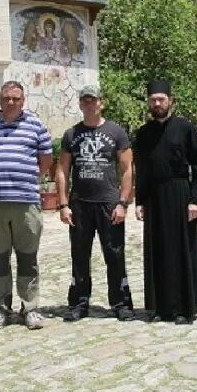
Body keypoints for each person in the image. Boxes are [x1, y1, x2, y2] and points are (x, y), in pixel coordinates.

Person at [0, 81, 53, 331]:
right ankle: (1, 310)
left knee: (28, 257)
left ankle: (30, 308)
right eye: (6, 98)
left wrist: (24, 179)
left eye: (16, 99)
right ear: (0, 99)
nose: (11, 103)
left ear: (23, 100)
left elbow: (46, 161)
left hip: (26, 202)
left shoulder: (36, 126)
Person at [56, 85, 135, 322]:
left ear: (102, 103)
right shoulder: (71, 134)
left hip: (109, 203)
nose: (89, 105)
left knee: (114, 254)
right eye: (85, 101)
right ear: (80, 104)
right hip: (80, 203)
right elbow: (62, 169)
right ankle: (79, 302)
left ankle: (120, 302)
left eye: (93, 100)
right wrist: (62, 204)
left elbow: (128, 169)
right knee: (79, 254)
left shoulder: (116, 132)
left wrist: (123, 202)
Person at [133, 79, 197, 323]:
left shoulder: (185, 128)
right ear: (148, 103)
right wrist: (140, 200)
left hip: (179, 194)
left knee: (181, 249)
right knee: (157, 250)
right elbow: (142, 169)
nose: (157, 103)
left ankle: (183, 307)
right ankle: (159, 307)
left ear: (170, 101)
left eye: (161, 99)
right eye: (153, 99)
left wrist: (195, 200)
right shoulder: (143, 134)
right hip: (154, 197)